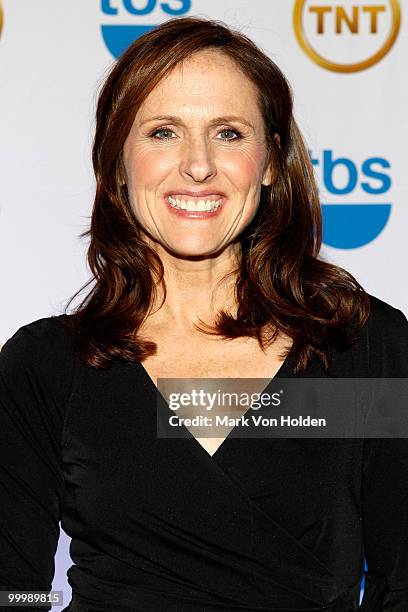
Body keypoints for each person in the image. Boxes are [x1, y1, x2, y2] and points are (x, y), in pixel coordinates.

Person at [0, 15, 407, 612]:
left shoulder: (362, 348)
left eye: (229, 133)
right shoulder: (48, 365)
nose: (197, 164)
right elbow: (16, 592)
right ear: (118, 160)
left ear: (270, 162)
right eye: (163, 131)